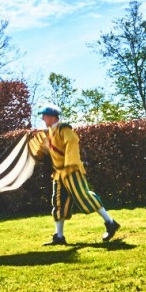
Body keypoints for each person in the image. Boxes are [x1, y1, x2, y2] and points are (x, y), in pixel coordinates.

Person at [29, 105, 120, 246]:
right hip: (58, 174)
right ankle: (59, 237)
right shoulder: (48, 133)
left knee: (83, 195)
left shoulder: (63, 129)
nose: (42, 118)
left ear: (52, 116)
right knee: (58, 203)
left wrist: (70, 163)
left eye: (44, 115)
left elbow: (72, 141)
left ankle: (110, 222)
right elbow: (42, 152)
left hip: (71, 170)